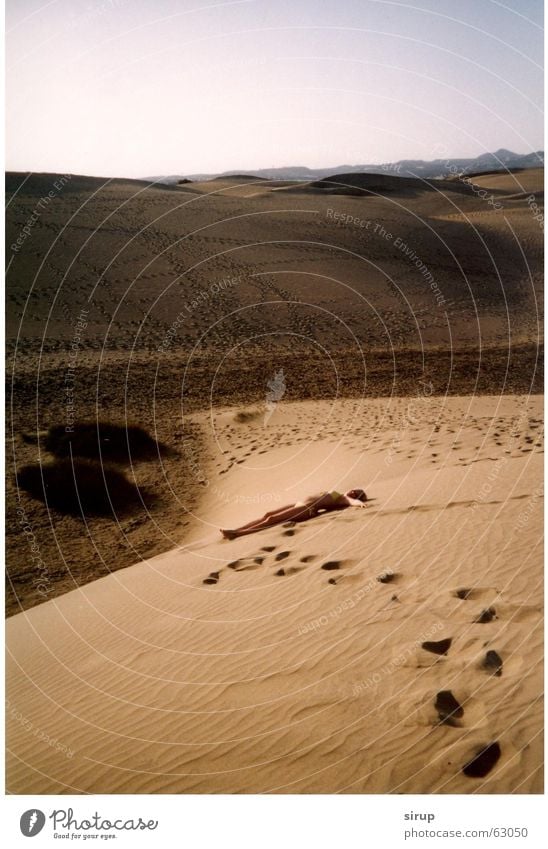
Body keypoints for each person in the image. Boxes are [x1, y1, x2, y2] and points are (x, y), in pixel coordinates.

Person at [221, 489, 368, 539]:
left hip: (307, 509)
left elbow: (350, 501)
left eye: (357, 493)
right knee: (268, 514)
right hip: (299, 503)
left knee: (272, 519)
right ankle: (237, 529)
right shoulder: (337, 493)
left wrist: (359, 503)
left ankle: (237, 534)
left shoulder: (341, 498)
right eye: (355, 490)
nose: (353, 492)